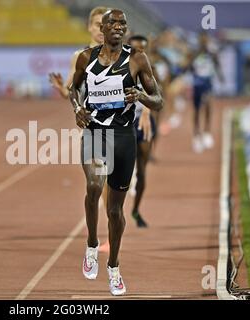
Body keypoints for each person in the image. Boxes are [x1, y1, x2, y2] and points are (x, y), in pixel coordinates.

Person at [69, 9, 163, 295]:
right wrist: (77, 110)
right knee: (94, 186)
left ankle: (113, 266)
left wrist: (141, 97)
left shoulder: (136, 59)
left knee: (115, 210)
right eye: (114, 23)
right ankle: (91, 245)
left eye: (124, 23)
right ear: (103, 27)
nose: (120, 27)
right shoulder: (87, 58)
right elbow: (74, 90)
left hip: (123, 137)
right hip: (95, 132)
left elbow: (158, 101)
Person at [127, 35, 159, 228]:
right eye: (136, 49)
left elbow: (156, 94)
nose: (140, 52)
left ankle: (136, 210)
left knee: (143, 171)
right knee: (124, 167)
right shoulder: (120, 69)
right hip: (125, 123)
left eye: (143, 49)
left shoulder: (150, 70)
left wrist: (147, 111)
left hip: (143, 123)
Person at [49, 6, 107, 98]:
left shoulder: (118, 55)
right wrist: (61, 88)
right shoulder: (80, 56)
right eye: (98, 24)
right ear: (89, 26)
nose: (101, 29)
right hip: (89, 112)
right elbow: (68, 92)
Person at [188, 32, 223, 153]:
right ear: (199, 40)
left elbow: (217, 65)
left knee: (208, 105)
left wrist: (221, 76)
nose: (204, 42)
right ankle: (197, 134)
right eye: (202, 40)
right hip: (197, 83)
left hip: (208, 82)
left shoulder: (211, 53)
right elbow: (189, 67)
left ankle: (207, 132)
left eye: (205, 40)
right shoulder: (195, 53)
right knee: (197, 110)